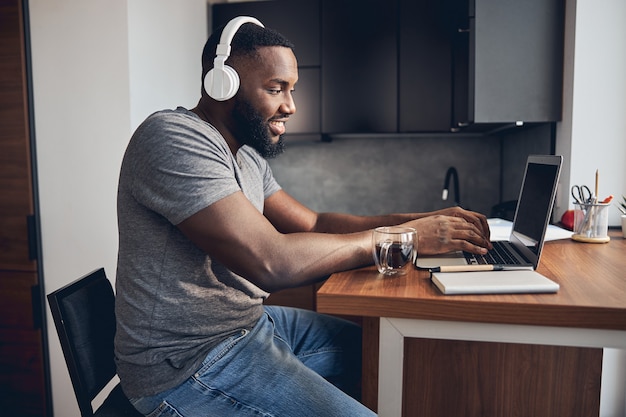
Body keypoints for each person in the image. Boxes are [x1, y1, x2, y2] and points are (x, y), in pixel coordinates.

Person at [114, 17, 492, 417]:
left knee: (398, 353)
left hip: (250, 328)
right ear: (221, 83)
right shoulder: (172, 138)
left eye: (291, 89)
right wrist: (404, 237)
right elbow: (270, 262)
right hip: (187, 366)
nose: (290, 106)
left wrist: (424, 220)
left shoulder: (245, 153)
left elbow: (313, 224)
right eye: (275, 89)